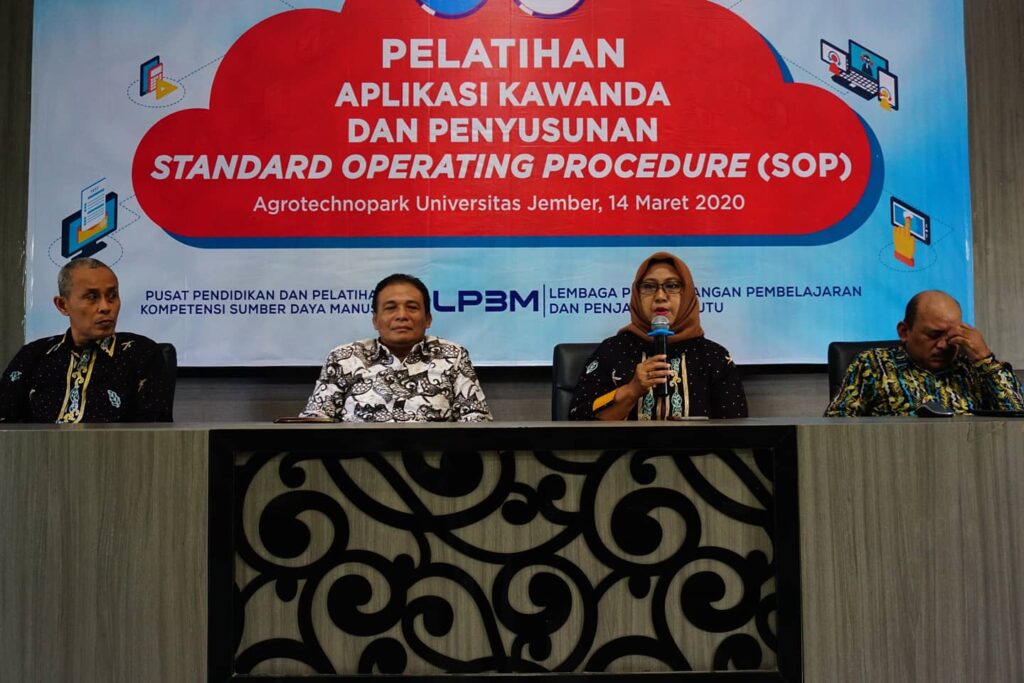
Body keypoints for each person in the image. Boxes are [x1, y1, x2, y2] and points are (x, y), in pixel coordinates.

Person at [569, 252, 747, 421]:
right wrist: (631, 391)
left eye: (672, 286)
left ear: (687, 293)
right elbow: (578, 419)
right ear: (636, 295)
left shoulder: (713, 357)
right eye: (649, 286)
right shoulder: (613, 351)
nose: (660, 296)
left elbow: (738, 429)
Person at [0, 258, 173, 423]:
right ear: (62, 305)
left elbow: (152, 432)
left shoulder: (142, 354)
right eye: (92, 297)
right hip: (38, 445)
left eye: (112, 296)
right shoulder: (33, 355)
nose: (105, 307)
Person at [300, 273, 492, 422]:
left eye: (412, 307)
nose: (402, 316)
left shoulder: (452, 355)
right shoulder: (345, 357)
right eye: (391, 308)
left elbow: (477, 420)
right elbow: (316, 420)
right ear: (375, 320)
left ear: (428, 319)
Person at [825, 290, 1024, 416]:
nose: (944, 345)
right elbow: (836, 428)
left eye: (951, 336)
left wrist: (985, 360)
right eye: (934, 335)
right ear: (904, 331)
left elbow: (1018, 421)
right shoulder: (874, 365)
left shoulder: (973, 369)